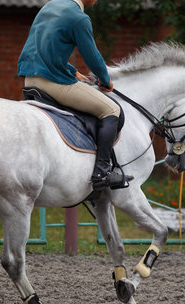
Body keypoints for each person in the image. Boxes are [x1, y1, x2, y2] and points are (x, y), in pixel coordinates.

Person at [17, 0, 132, 191]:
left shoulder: (50, 6)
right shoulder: (79, 18)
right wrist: (105, 79)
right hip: (52, 82)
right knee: (112, 109)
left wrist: (71, 70)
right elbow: (92, 56)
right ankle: (102, 172)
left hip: (30, 79)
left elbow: (40, 48)